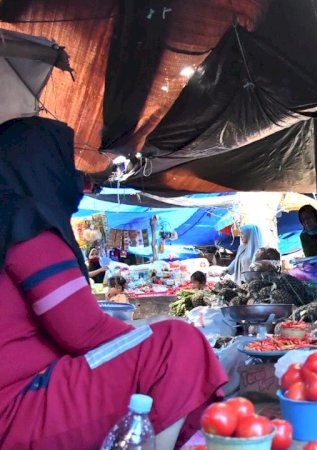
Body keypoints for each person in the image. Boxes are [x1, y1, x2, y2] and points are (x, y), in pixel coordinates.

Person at [0, 115, 227, 448]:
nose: (73, 177)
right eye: (65, 162)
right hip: (19, 409)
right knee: (177, 343)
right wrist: (151, 330)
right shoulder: (24, 222)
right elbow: (84, 332)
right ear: (43, 165)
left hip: (21, 396)